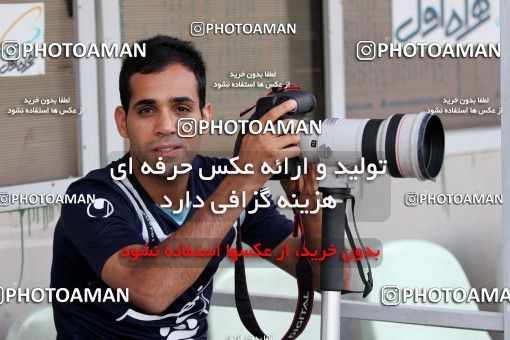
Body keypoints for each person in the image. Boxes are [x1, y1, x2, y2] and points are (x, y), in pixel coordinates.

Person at [50, 35, 346, 339]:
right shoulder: (91, 198)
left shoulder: (223, 181)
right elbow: (150, 291)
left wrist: (309, 204)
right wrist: (245, 176)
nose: (166, 126)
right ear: (123, 121)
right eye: (147, 110)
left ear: (204, 117)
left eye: (181, 108)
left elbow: (334, 278)